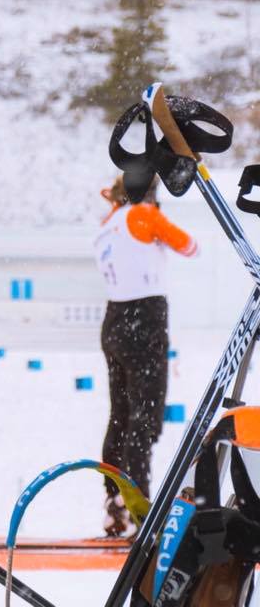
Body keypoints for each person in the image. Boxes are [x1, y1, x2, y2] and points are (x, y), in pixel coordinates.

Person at [94, 175, 198, 537]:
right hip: (144, 319)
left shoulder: (108, 225)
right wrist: (155, 218)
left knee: (120, 415)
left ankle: (114, 499)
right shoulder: (143, 215)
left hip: (113, 320)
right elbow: (189, 246)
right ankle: (142, 507)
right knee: (146, 416)